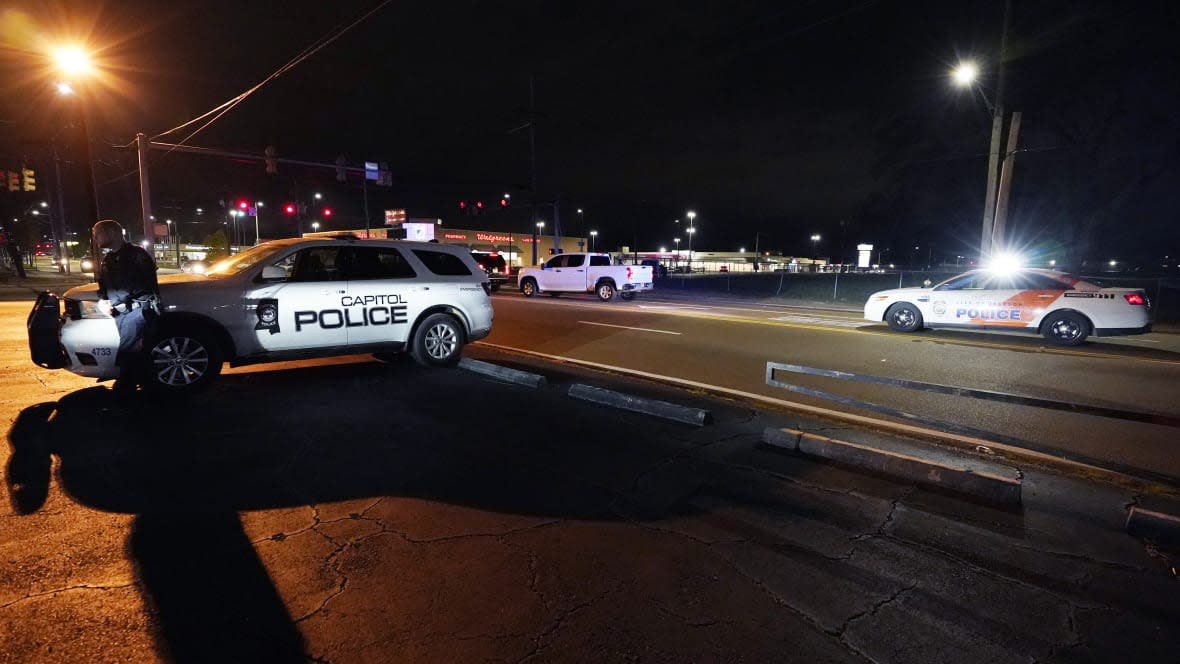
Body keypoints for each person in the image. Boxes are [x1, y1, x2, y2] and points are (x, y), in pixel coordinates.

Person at [92, 220, 160, 395]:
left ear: (113, 233)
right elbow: (103, 285)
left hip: (137, 311)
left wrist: (121, 300)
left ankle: (126, 389)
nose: (96, 238)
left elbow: (146, 284)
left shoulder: (136, 255)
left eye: (99, 233)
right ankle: (150, 389)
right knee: (137, 353)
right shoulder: (108, 259)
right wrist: (104, 299)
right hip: (120, 313)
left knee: (129, 351)